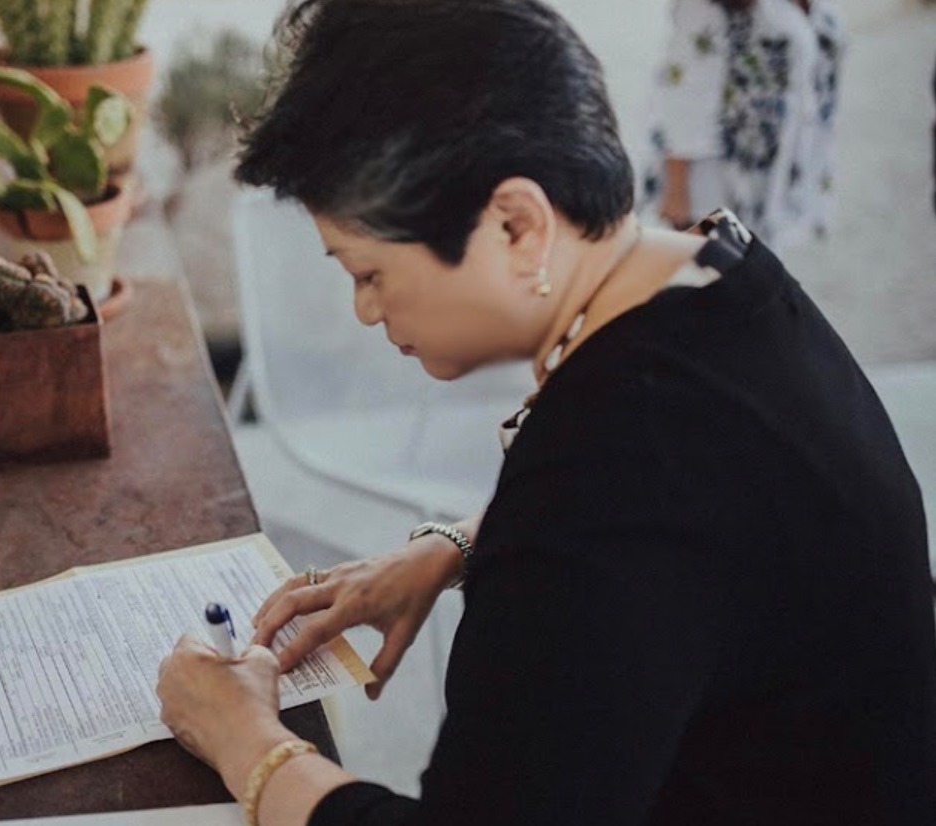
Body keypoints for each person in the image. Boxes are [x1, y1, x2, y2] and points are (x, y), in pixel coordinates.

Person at [155, 2, 936, 825]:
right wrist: (464, 543)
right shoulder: (717, 274)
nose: (363, 310)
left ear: (517, 225)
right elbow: (696, 536)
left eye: (369, 272)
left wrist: (242, 736)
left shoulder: (615, 468)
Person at [641, 0, 845, 251]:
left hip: (777, 178)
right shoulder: (704, 8)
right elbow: (681, 90)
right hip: (714, 188)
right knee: (720, 280)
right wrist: (676, 189)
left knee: (758, 275)